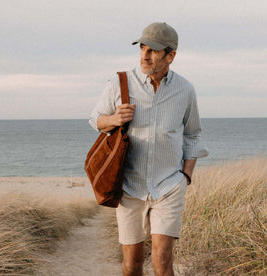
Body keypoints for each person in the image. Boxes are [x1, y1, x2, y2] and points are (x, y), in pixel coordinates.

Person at [89, 22, 208, 276]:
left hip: (169, 186)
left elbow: (193, 134)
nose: (145, 55)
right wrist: (114, 119)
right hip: (129, 187)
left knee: (163, 261)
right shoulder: (120, 83)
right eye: (142, 47)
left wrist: (185, 177)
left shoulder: (185, 90)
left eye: (153, 50)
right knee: (132, 264)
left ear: (170, 56)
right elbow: (95, 120)